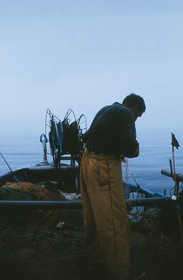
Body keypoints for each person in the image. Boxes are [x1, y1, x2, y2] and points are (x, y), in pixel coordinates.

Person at [80, 93, 145, 280]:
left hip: (87, 163)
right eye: (138, 116)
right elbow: (128, 147)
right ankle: (121, 273)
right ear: (134, 108)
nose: (136, 119)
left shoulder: (105, 109)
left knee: (93, 216)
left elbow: (86, 137)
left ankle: (96, 262)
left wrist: (113, 149)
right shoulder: (126, 114)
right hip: (103, 168)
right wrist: (133, 149)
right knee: (114, 221)